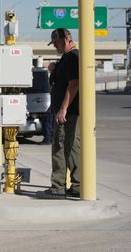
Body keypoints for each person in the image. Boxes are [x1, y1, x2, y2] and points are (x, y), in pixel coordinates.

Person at [37, 28, 81, 199]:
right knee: (68, 147)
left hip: (67, 113)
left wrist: (63, 109)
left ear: (66, 39)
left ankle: (58, 186)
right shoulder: (66, 58)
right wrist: (55, 69)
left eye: (56, 42)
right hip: (64, 112)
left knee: (62, 147)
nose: (54, 45)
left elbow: (74, 84)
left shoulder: (72, 56)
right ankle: (76, 185)